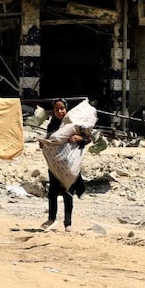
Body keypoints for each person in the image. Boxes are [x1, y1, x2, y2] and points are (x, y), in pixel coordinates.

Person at [40, 99, 89, 232]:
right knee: (53, 192)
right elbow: (50, 139)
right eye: (57, 109)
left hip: (70, 165)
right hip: (56, 165)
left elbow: (88, 138)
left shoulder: (74, 124)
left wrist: (79, 139)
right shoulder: (52, 126)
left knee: (68, 193)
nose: (60, 112)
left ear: (67, 109)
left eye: (62, 108)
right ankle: (51, 218)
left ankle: (68, 223)